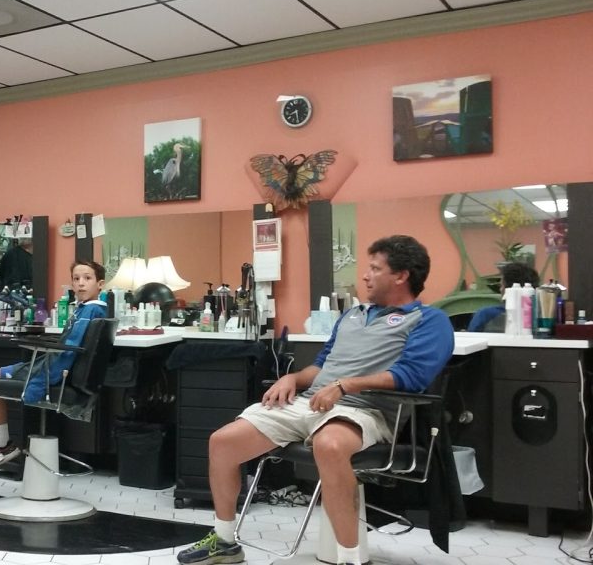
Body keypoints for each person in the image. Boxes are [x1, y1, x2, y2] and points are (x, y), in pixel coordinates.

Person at [178, 235, 454, 565]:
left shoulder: (428, 320)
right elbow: (322, 365)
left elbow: (412, 376)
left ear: (401, 276)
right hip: (311, 402)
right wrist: (293, 379)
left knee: (330, 445)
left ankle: (350, 559)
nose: (365, 275)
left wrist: (345, 386)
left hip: (367, 410)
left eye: (375, 268)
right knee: (222, 442)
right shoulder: (352, 315)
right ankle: (225, 542)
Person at [0, 259, 108, 475]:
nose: (81, 283)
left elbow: (68, 352)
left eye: (87, 278)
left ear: (100, 284)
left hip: (50, 374)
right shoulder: (90, 310)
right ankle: (1, 445)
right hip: (51, 369)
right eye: (76, 279)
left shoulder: (89, 312)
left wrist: (39, 382)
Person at [466, 262, 540, 332]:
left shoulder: (485, 315)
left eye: (501, 285)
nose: (500, 289)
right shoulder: (541, 318)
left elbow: (471, 338)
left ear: (508, 290)